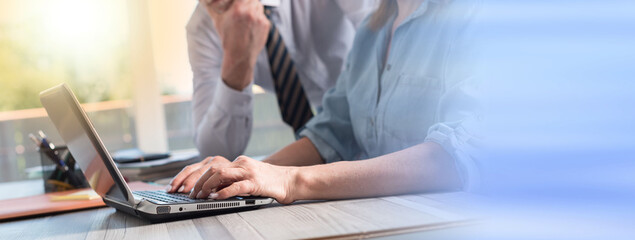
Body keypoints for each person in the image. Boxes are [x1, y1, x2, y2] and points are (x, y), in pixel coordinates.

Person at [170, 0, 480, 204]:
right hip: (380, 217)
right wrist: (248, 172)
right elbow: (331, 133)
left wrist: (293, 180)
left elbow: (455, 156)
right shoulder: (372, 31)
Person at [188, 0, 378, 161]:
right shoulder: (202, 28)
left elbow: (382, 40)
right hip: (327, 134)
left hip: (371, 103)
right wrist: (237, 61)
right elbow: (216, 154)